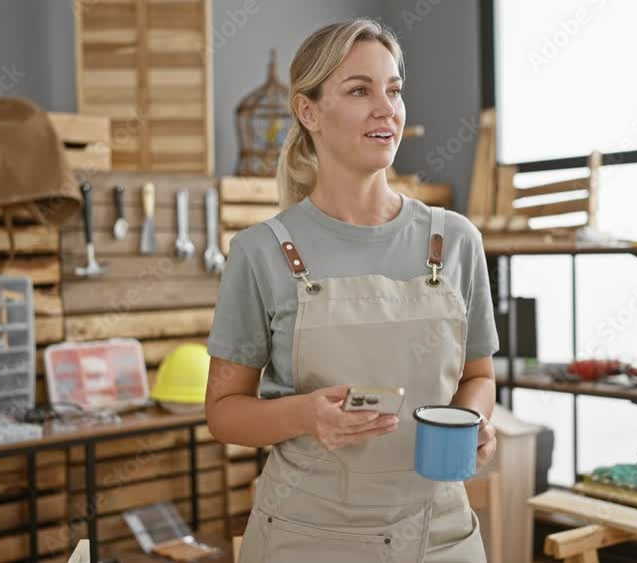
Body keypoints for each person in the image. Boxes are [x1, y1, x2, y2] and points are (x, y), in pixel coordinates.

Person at [205, 18, 499, 563]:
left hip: (440, 534)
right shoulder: (262, 252)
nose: (386, 108)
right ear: (307, 111)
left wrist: (475, 418)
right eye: (360, 90)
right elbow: (224, 412)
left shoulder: (455, 241)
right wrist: (304, 416)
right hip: (308, 537)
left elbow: (478, 376)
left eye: (393, 90)